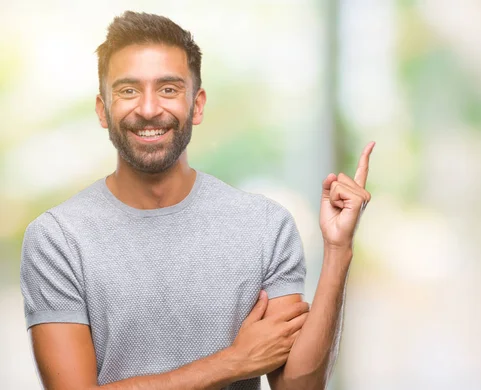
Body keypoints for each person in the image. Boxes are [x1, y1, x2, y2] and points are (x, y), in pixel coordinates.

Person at [20, 10, 374, 390]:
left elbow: (299, 387)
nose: (149, 108)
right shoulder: (57, 239)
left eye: (168, 89)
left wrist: (339, 249)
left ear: (198, 104)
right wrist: (231, 363)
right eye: (128, 90)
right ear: (103, 110)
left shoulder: (264, 226)